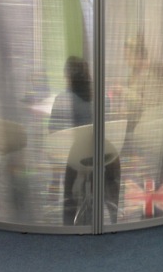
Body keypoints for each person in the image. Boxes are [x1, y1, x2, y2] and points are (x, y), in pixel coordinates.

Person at [49, 56, 120, 225]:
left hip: (76, 156)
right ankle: (111, 213)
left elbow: (53, 133)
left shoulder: (62, 99)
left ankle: (68, 219)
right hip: (103, 155)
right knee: (92, 151)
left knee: (71, 154)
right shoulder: (103, 97)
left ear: (68, 76)